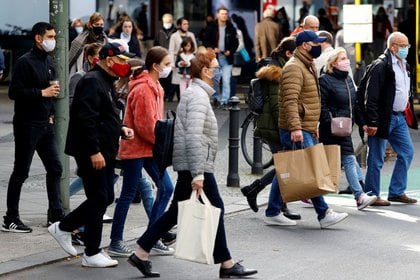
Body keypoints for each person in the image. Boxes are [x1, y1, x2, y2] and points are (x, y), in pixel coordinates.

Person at [127, 48, 257, 278]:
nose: (218, 72)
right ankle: (227, 263)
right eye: (215, 69)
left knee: (176, 211)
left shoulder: (196, 93)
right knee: (215, 207)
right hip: (195, 164)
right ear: (205, 71)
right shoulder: (197, 96)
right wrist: (198, 173)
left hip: (191, 163)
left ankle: (141, 251)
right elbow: (194, 136)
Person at [48, 42, 135, 268]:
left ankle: (64, 227)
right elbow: (85, 120)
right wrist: (94, 151)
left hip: (104, 150)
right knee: (98, 198)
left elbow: (106, 114)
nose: (125, 65)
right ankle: (91, 251)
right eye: (121, 60)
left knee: (104, 197)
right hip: (90, 151)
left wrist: (120, 128)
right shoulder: (91, 81)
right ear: (108, 60)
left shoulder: (106, 81)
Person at [265, 30, 349, 228]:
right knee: (310, 169)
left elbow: (308, 98)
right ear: (304, 45)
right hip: (297, 127)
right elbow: (290, 101)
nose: (319, 46)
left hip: (304, 126)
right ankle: (323, 212)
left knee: (288, 168)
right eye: (316, 43)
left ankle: (273, 210)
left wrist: (312, 126)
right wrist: (295, 128)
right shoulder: (295, 67)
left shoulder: (307, 64)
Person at [108, 46, 175, 258]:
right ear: (155, 66)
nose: (169, 69)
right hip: (138, 147)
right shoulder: (145, 88)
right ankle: (116, 241)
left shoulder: (153, 85)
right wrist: (162, 143)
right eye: (166, 65)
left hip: (147, 148)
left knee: (165, 188)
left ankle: (151, 237)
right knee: (128, 194)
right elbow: (146, 125)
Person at [2, 22, 64, 233]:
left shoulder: (48, 61)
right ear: (38, 38)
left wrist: (51, 113)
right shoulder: (24, 62)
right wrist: (41, 93)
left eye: (54, 36)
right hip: (27, 124)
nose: (52, 40)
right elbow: (14, 92)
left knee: (55, 168)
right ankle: (11, 218)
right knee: (21, 171)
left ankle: (55, 216)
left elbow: (52, 91)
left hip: (44, 124)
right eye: (49, 36)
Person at [240, 36, 301, 221]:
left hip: (270, 125)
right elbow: (277, 106)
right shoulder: (278, 72)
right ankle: (272, 202)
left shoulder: (275, 67)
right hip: (275, 127)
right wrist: (289, 127)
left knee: (284, 166)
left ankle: (264, 195)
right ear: (289, 53)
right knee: (286, 166)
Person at [361, 32, 417, 206]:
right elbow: (371, 97)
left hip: (399, 117)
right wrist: (372, 121)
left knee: (407, 152)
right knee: (376, 158)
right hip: (383, 118)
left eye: (407, 45)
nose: (406, 49)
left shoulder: (405, 65)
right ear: (393, 47)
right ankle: (372, 194)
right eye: (403, 46)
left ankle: (396, 192)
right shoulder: (381, 66)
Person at [319, 47, 378, 210]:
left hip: (345, 128)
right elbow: (321, 105)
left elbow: (356, 105)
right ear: (333, 63)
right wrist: (330, 121)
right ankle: (360, 196)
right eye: (342, 59)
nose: (347, 61)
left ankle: (361, 193)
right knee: (349, 159)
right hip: (331, 129)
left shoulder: (347, 80)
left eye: (346, 58)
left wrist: (363, 122)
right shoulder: (325, 80)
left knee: (346, 160)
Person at [203, 6, 238, 110]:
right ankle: (217, 98)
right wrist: (213, 48)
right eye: (222, 14)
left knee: (226, 80)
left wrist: (230, 51)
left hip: (227, 58)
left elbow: (236, 43)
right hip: (215, 58)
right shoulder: (211, 27)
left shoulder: (231, 27)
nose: (224, 16)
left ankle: (224, 101)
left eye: (226, 14)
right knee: (215, 80)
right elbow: (205, 40)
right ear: (217, 15)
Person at [168, 17, 197, 102]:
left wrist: (190, 55)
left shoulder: (191, 35)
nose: (186, 26)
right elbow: (171, 50)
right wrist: (172, 63)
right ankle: (180, 99)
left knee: (189, 82)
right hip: (178, 59)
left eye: (187, 24)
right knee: (179, 82)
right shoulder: (174, 36)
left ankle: (188, 100)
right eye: (184, 24)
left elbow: (195, 48)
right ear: (179, 25)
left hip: (189, 59)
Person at [154, 13, 177, 102]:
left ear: (172, 21)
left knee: (171, 78)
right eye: (166, 22)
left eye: (169, 21)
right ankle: (162, 95)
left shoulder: (175, 31)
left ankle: (169, 96)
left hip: (171, 57)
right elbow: (155, 44)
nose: (167, 23)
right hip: (161, 57)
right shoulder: (159, 32)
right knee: (162, 77)